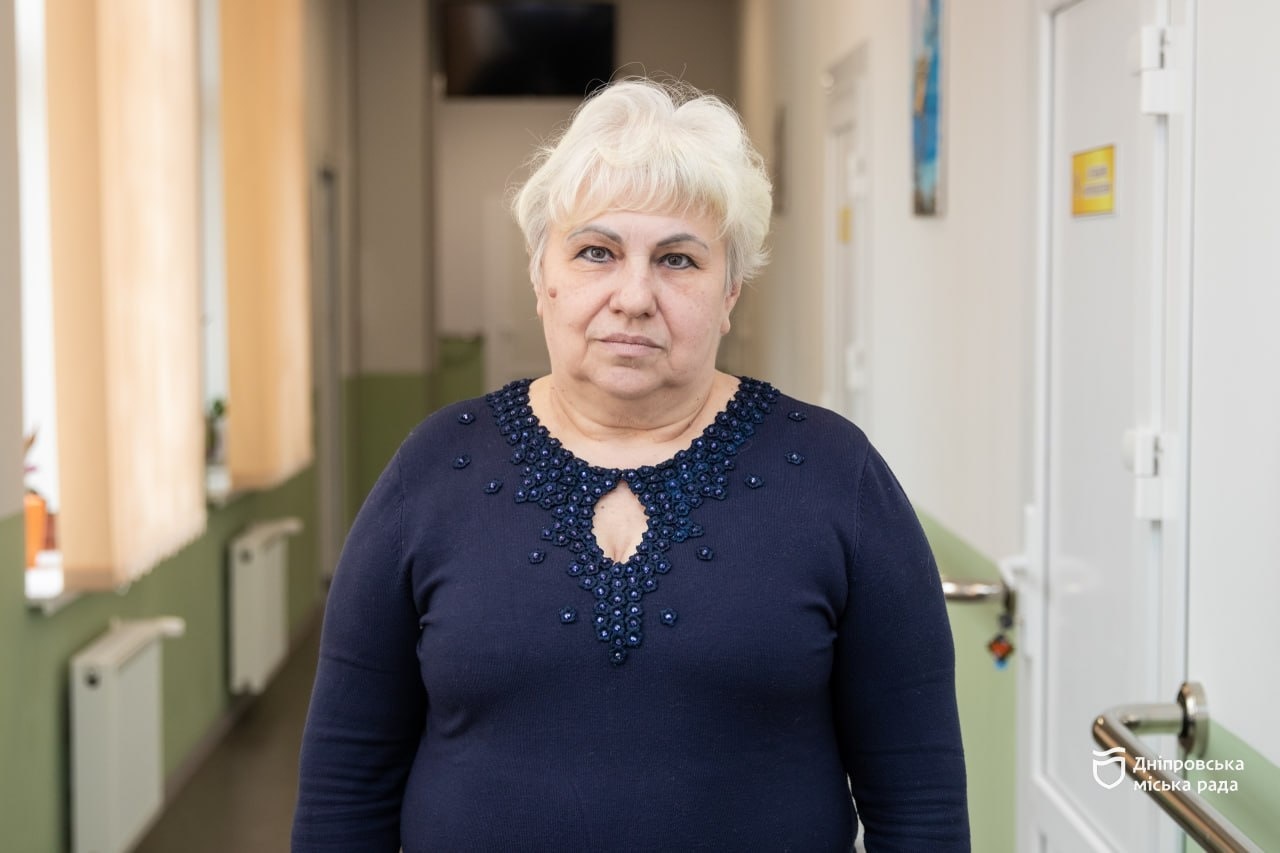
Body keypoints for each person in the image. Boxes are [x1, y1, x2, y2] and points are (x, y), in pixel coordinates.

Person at [292, 78, 969, 852]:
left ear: (729, 292)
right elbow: (345, 787)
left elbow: (920, 801)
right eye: (596, 252)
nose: (634, 296)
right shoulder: (435, 470)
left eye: (678, 260)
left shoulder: (836, 476)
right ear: (541, 276)